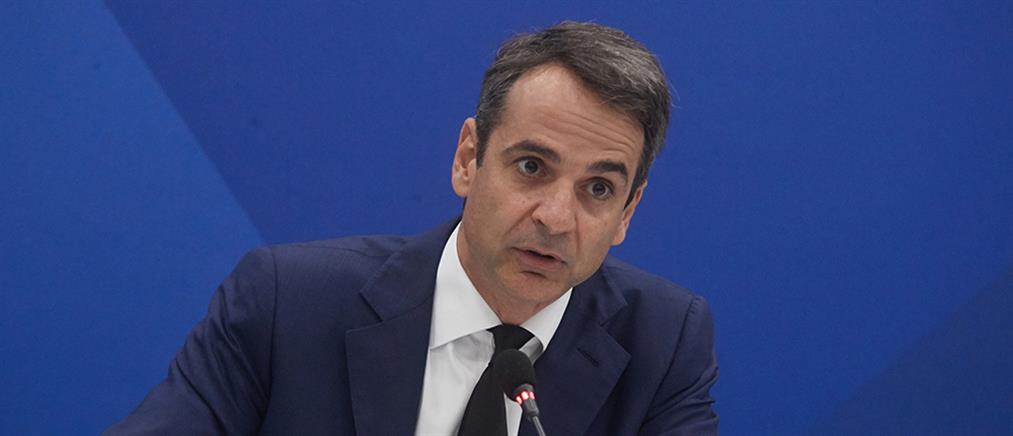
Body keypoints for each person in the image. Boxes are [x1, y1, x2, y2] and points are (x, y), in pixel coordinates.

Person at [106, 21, 718, 435]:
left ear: (627, 212)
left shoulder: (662, 344)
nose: (556, 218)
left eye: (598, 189)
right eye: (532, 167)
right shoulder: (286, 306)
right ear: (468, 159)